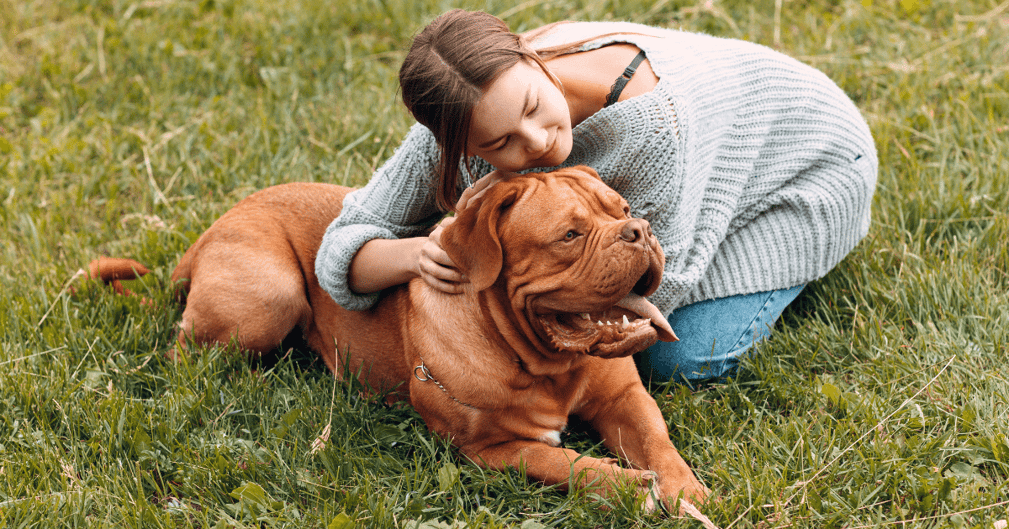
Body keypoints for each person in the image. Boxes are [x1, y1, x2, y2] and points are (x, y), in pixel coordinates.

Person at [314, 9, 877, 384]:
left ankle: (782, 269)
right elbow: (339, 247)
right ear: (457, 140)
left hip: (811, 167)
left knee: (673, 354)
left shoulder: (652, 130)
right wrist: (414, 255)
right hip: (717, 164)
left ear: (532, 59)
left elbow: (660, 284)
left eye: (534, 107)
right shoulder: (461, 116)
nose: (537, 143)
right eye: (500, 143)